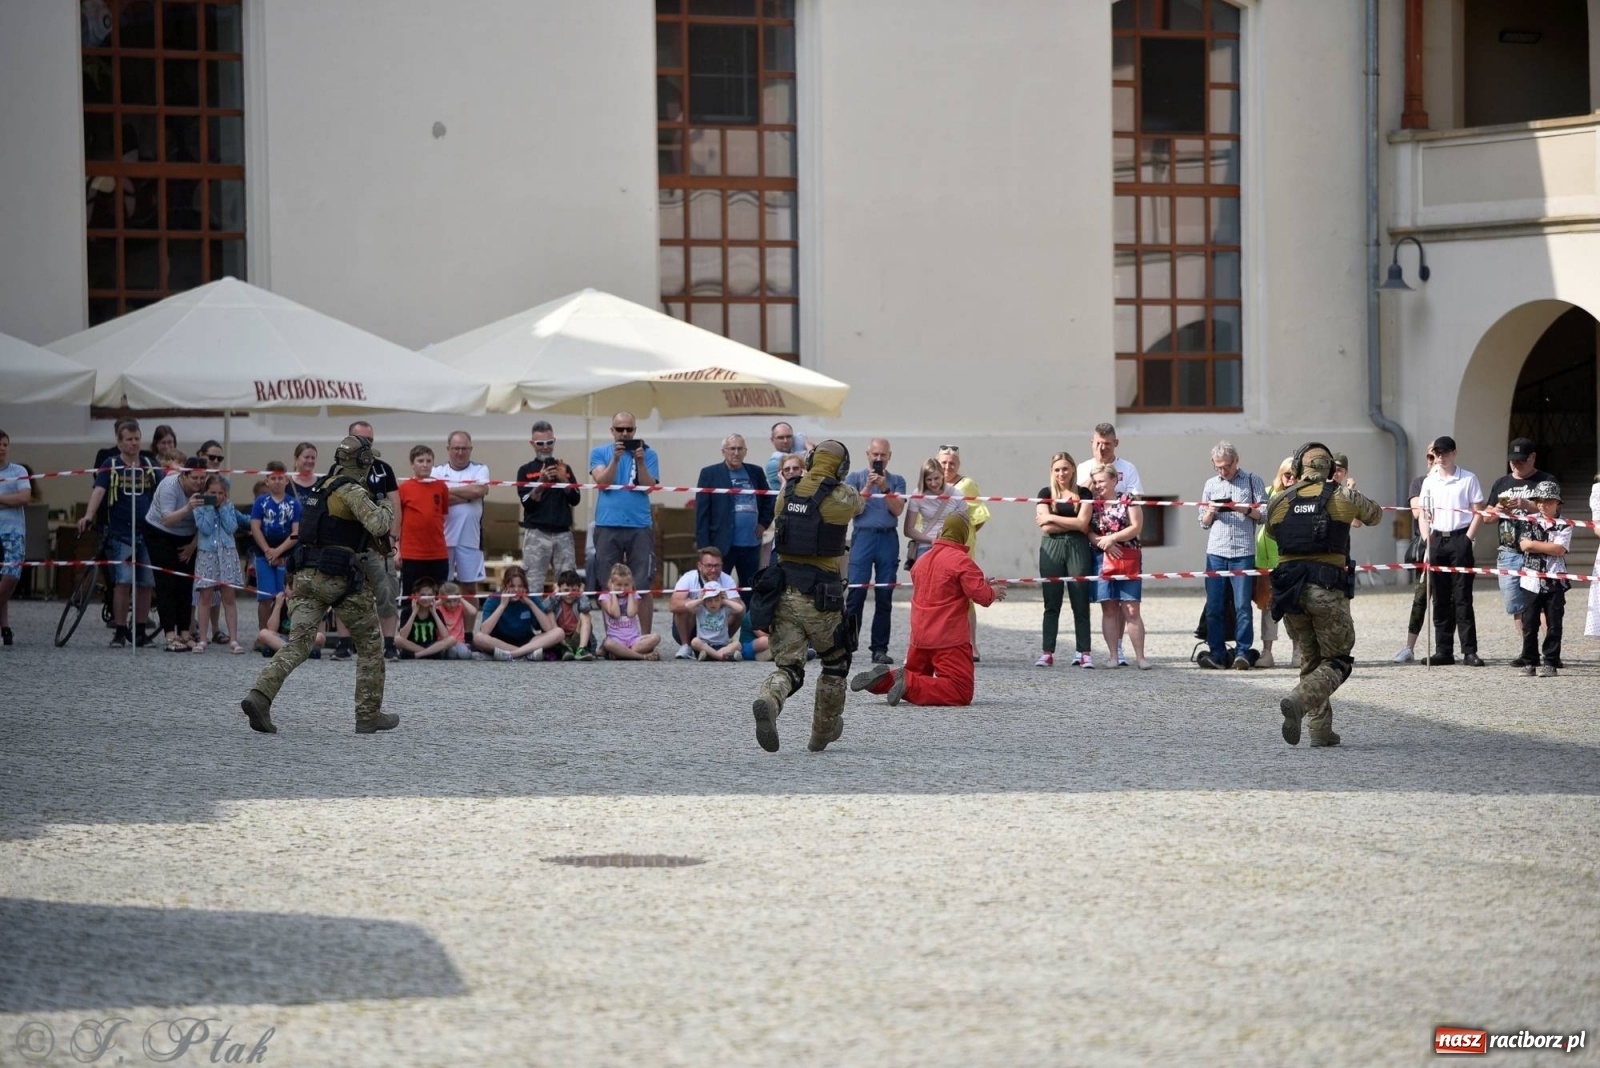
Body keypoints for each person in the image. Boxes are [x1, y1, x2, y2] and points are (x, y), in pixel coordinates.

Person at [240, 435, 397, 735]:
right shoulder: (351, 490)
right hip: (341, 578)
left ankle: (259, 696)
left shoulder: (320, 487)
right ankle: (368, 715)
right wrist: (385, 505)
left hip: (307, 576)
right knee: (370, 644)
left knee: (298, 644)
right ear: (362, 461)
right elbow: (378, 525)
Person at [747, 439, 864, 753]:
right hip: (821, 598)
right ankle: (821, 733)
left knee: (790, 668)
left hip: (782, 594)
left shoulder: (787, 491)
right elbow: (859, 504)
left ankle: (770, 699)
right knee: (835, 663)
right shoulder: (842, 497)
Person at [1265, 442, 1383, 747]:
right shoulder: (1342, 496)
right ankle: (1299, 700)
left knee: (1310, 658)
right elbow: (1375, 515)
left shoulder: (1279, 501)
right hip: (1326, 590)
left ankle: (1320, 729)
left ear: (1298, 469)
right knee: (1338, 660)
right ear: (1330, 469)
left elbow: (1271, 532)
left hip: (1290, 593)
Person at [852, 510, 1007, 707]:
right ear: (963, 534)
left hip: (920, 638)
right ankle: (909, 684)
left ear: (942, 532)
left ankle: (886, 680)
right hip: (949, 640)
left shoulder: (922, 560)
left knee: (916, 673)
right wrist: (991, 591)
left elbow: (944, 588)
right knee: (960, 691)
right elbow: (982, 597)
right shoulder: (962, 561)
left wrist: (977, 584)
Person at [78, 418, 160, 647]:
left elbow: (162, 491)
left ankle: (141, 630)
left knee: (145, 583)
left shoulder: (149, 464)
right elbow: (99, 492)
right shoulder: (110, 464)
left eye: (137, 439)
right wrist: (88, 515)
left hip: (147, 533)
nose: (134, 443)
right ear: (119, 441)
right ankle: (120, 629)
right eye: (129, 439)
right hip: (121, 534)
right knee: (123, 581)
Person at [333, 420, 402, 662]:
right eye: (362, 440)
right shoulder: (338, 471)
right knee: (343, 591)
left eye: (370, 441)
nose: (367, 445)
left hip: (378, 544)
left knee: (385, 590)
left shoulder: (383, 469)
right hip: (348, 543)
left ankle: (390, 644)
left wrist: (393, 541)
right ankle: (344, 643)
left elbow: (394, 505)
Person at [1197, 441, 1267, 670]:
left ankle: (1243, 653)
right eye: (1218, 467)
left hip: (1243, 552)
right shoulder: (1210, 484)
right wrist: (1210, 512)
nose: (1223, 471)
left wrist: (1241, 508)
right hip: (1216, 552)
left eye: (1226, 466)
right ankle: (1217, 653)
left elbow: (1264, 514)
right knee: (1214, 606)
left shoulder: (1252, 480)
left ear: (1237, 461)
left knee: (1242, 606)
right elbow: (1203, 523)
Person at [1481, 437, 1556, 652]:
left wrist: (1528, 505)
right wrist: (1496, 510)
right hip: (1508, 552)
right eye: (1513, 461)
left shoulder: (1546, 481)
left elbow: (1554, 511)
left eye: (1521, 460)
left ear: (1533, 457)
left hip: (1537, 551)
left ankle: (1550, 652)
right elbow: (1486, 517)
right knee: (1516, 605)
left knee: (1540, 603)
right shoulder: (1501, 483)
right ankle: (1528, 651)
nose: (1516, 464)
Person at [590, 412, 661, 634]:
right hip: (607, 524)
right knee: (607, 584)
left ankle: (645, 638)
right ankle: (613, 637)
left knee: (643, 584)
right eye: (619, 429)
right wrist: (616, 458)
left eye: (628, 429)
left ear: (635, 431)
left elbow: (649, 485)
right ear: (612, 431)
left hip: (639, 524)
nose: (624, 433)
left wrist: (640, 461)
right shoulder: (599, 452)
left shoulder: (648, 453)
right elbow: (602, 482)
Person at [1418, 435, 1485, 666]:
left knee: (1463, 596)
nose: (1441, 457)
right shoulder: (1430, 481)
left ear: (1454, 453)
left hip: (1459, 537)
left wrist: (1467, 539)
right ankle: (1443, 650)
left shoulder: (1468, 478)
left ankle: (1469, 650)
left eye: (1445, 452)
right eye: (1437, 453)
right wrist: (1428, 539)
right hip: (1438, 539)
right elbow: (1423, 514)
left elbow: (1478, 511)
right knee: (1440, 597)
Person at [843, 438, 907, 666]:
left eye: (883, 455)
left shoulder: (897, 481)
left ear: (889, 456)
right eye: (875, 455)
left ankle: (879, 648)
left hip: (887, 538)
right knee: (856, 594)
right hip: (863, 536)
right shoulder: (854, 478)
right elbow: (850, 510)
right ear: (867, 454)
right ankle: (848, 645)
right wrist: (869, 487)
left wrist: (884, 488)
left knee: (884, 596)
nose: (879, 459)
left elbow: (898, 510)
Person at [1087, 461, 1150, 669]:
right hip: (1101, 558)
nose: (1098, 486)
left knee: (1131, 609)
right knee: (1109, 608)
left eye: (1102, 481)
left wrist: (1112, 539)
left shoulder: (1128, 500)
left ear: (1114, 480)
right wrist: (1102, 543)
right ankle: (1113, 656)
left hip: (1128, 556)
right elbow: (1087, 530)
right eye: (1095, 482)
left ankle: (1140, 657)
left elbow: (1136, 526)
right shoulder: (1092, 503)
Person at [143, 456, 208, 652]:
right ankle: (170, 635)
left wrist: (192, 546)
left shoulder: (204, 490)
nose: (198, 483)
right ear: (184, 475)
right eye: (194, 478)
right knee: (167, 584)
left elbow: (205, 523)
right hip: (160, 532)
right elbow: (167, 520)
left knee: (186, 584)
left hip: (187, 536)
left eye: (202, 478)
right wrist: (189, 507)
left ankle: (185, 633)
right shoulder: (169, 486)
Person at [1035, 451, 1093, 668]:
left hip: (1078, 546)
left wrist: (1051, 516)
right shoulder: (1045, 492)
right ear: (1052, 471)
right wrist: (1062, 521)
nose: (1062, 473)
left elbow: (1082, 525)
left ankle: (1084, 651)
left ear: (1073, 470)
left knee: (1080, 599)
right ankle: (1047, 651)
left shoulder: (1084, 492)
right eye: (1057, 469)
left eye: (1065, 468)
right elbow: (1045, 526)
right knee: (1052, 601)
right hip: (1051, 546)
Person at [694, 434, 772, 591]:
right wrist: (704, 547)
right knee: (716, 589)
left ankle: (746, 616)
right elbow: (701, 512)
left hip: (751, 543)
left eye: (740, 449)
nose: (736, 452)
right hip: (721, 544)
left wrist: (763, 523)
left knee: (749, 589)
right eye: (732, 448)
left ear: (745, 451)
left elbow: (769, 499)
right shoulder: (709, 473)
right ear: (724, 451)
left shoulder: (755, 472)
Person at [936, 445, 990, 661]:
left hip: (962, 548)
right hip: (937, 547)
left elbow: (979, 517)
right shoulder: (931, 483)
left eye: (952, 463)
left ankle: (972, 645)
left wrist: (965, 536)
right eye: (943, 462)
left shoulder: (967, 484)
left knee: (966, 594)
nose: (948, 466)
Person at [516, 421, 581, 593]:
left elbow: (575, 499)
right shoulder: (525, 470)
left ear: (554, 442)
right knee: (532, 584)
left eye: (549, 443)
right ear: (532, 444)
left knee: (568, 584)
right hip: (537, 532)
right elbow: (527, 502)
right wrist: (541, 482)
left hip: (563, 533)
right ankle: (533, 619)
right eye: (540, 444)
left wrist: (563, 480)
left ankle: (565, 620)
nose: (545, 447)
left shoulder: (564, 469)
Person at [1516, 481, 1571, 677]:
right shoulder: (1528, 519)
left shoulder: (1565, 524)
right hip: (1530, 580)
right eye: (1539, 501)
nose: (1542, 505)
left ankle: (1551, 662)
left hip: (1555, 580)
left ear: (1557, 502)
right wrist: (1536, 545)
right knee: (1529, 623)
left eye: (1547, 501)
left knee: (1554, 623)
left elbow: (1559, 550)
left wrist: (1534, 544)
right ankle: (1529, 662)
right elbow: (1524, 546)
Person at [192, 472, 245, 654]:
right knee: (205, 597)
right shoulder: (200, 507)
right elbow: (205, 529)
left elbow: (232, 527)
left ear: (225, 494)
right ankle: (203, 639)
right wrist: (208, 508)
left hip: (227, 554)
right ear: (206, 493)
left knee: (228, 597)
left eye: (220, 493)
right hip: (208, 555)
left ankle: (234, 639)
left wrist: (222, 508)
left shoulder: (228, 506)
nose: (216, 497)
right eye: (212, 493)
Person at [1394, 449, 1438, 663]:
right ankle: (1409, 647)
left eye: (1438, 456)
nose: (1434, 460)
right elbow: (1416, 512)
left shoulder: (1456, 481)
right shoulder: (1420, 482)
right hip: (1426, 546)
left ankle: (1444, 647)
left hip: (1450, 544)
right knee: (1421, 597)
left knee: (1448, 599)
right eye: (1430, 456)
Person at [432, 430, 491, 593]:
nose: (460, 453)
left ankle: (470, 619)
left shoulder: (480, 469)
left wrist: (448, 492)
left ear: (470, 449)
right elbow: (435, 498)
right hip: (442, 539)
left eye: (464, 449)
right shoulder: (436, 472)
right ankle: (443, 620)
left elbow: (479, 491)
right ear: (448, 449)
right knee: (442, 586)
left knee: (470, 587)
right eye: (456, 448)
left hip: (471, 539)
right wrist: (468, 496)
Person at [1253, 456, 1295, 669]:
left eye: (1296, 476)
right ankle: (1267, 652)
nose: (1291, 479)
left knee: (1295, 608)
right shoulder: (1267, 493)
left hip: (1291, 559)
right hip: (1265, 558)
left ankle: (1298, 652)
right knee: (1267, 608)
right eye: (1287, 475)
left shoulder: (1303, 496)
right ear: (1281, 474)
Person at [249, 461, 300, 637]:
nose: (277, 481)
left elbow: (296, 533)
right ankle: (264, 633)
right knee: (265, 597)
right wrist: (267, 551)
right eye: (273, 478)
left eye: (280, 478)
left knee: (285, 596)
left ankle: (284, 632)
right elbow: (255, 527)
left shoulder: (294, 504)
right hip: (264, 556)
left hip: (286, 556)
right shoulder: (260, 503)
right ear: (267, 481)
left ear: (287, 480)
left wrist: (278, 551)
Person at [473, 564, 566, 661]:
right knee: (479, 638)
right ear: (504, 586)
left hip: (527, 642)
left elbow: (548, 628)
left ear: (525, 587)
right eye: (512, 586)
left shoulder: (531, 598)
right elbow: (484, 631)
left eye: (520, 586)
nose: (516, 590)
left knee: (559, 632)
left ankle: (513, 654)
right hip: (500, 642)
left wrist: (531, 604)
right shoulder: (493, 599)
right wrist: (502, 606)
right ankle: (525, 654)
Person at [670, 546, 744, 659]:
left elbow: (739, 607)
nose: (713, 570)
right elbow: (673, 605)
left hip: (718, 627)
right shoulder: (689, 578)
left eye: (717, 565)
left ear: (722, 565)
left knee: (740, 607)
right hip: (694, 631)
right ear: (700, 566)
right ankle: (686, 645)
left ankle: (721, 643)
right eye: (709, 566)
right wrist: (698, 601)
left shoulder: (727, 579)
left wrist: (724, 601)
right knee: (683, 607)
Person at [396, 445, 450, 595]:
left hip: (438, 553)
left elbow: (442, 514)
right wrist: (396, 550)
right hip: (412, 554)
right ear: (412, 464)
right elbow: (397, 522)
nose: (425, 464)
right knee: (411, 597)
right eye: (420, 461)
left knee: (439, 597)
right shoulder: (404, 488)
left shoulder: (441, 487)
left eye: (428, 460)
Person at [0, 431, 29, 646]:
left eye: (5, 444)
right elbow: (16, 498)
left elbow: (24, 497)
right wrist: (10, 501)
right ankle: (5, 627)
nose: (2, 448)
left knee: (11, 575)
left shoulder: (18, 471)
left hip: (13, 532)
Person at [397, 576, 470, 660]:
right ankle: (428, 653)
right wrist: (414, 613)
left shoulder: (436, 611)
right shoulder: (407, 611)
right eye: (423, 595)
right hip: (414, 645)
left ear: (434, 596)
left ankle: (418, 655)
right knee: (397, 639)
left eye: (430, 595)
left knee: (452, 639)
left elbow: (445, 636)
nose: (426, 598)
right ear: (414, 596)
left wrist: (434, 613)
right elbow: (403, 636)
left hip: (431, 645)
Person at [598, 563, 662, 660]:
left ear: (631, 583)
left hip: (634, 640)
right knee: (608, 643)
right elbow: (616, 614)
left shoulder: (634, 595)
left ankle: (622, 654)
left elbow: (631, 613)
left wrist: (631, 592)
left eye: (626, 585)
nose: (623, 589)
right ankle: (643, 656)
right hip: (616, 639)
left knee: (656, 637)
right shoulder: (605, 597)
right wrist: (613, 593)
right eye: (619, 585)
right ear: (611, 583)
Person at [256, 572, 325, 658]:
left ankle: (286, 651)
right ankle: (293, 651)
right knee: (263, 633)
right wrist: (277, 606)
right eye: (291, 588)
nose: (294, 592)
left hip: (301, 638)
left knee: (320, 637)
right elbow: (271, 629)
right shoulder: (280, 602)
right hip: (282, 639)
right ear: (284, 588)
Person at [1078, 422, 1144, 498]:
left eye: (1107, 444)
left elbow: (1136, 500)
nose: (1102, 448)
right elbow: (1079, 498)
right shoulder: (1082, 467)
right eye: (1099, 443)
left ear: (1116, 443)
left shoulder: (1128, 468)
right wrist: (1099, 466)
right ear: (1092, 443)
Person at [546, 569, 596, 660]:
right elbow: (545, 608)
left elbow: (585, 608)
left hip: (577, 637)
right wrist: (555, 593)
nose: (569, 593)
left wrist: (581, 594)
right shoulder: (557, 601)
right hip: (560, 640)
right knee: (549, 614)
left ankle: (582, 649)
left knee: (585, 614)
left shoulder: (579, 600)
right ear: (559, 588)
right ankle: (565, 648)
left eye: (574, 590)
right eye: (566, 590)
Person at [436, 581, 478, 658]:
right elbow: (430, 607)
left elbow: (473, 612)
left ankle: (467, 649)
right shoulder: (439, 608)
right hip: (444, 641)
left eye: (455, 600)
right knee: (452, 653)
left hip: (459, 641)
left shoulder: (460, 606)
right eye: (448, 601)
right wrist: (439, 601)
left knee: (464, 655)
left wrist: (461, 599)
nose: (452, 605)